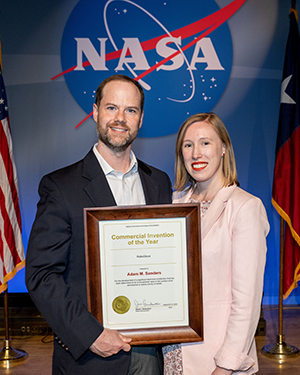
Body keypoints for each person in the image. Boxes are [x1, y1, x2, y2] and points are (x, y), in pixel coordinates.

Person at [25, 74, 172, 375]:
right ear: (95, 112)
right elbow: (41, 275)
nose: (120, 118)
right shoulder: (60, 186)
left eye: (130, 110)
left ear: (141, 119)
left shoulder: (158, 183)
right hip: (91, 359)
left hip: (150, 353)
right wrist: (91, 335)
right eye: (111, 108)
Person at [163, 113, 269, 375]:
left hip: (216, 362)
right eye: (188, 145)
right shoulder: (171, 205)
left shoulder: (245, 207)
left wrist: (226, 365)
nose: (196, 153)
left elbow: (247, 301)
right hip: (170, 355)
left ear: (223, 148)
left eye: (205, 143)